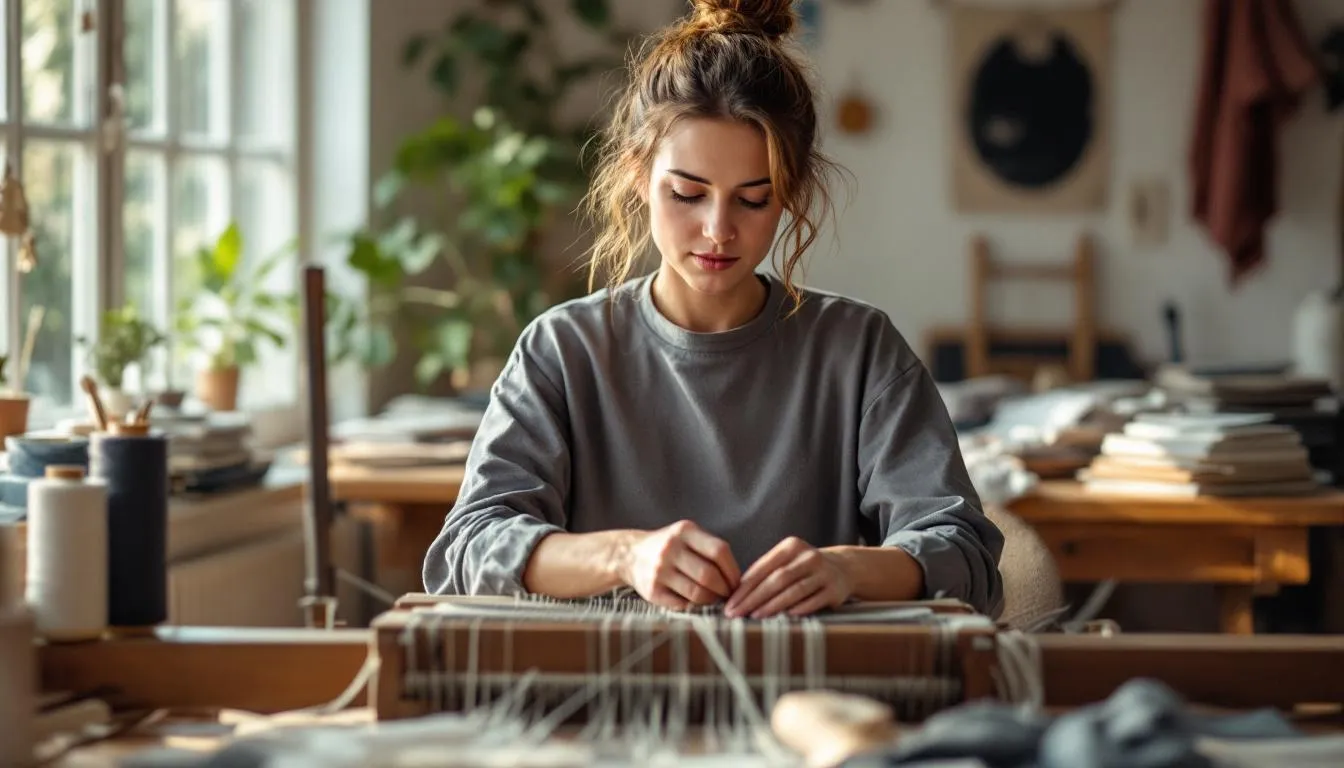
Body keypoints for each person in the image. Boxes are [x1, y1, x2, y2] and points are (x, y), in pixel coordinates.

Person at [422, 0, 1005, 619]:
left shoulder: (858, 350)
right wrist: (626, 556)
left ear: (790, 196)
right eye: (687, 194)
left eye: (754, 200)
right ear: (636, 174)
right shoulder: (561, 352)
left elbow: (965, 554)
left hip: (805, 697)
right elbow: (468, 548)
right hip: (602, 697)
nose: (718, 230)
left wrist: (846, 568)